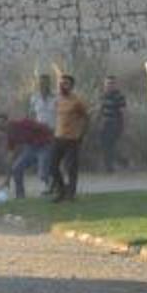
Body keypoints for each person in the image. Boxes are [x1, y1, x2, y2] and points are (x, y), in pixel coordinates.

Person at [0, 114, 53, 199]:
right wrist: (7, 180)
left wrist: (49, 140)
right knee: (16, 168)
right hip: (30, 148)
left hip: (44, 146)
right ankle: (20, 195)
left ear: (7, 122)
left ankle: (52, 190)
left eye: (2, 124)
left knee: (42, 173)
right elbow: (11, 157)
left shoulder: (23, 123)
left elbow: (45, 128)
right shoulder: (9, 136)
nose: (1, 128)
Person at [51, 74, 89, 202]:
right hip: (58, 137)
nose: (62, 86)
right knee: (52, 166)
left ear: (72, 86)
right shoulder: (58, 100)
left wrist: (81, 134)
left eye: (65, 83)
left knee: (71, 167)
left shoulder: (77, 101)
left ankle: (71, 194)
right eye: (60, 83)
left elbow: (85, 117)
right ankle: (61, 191)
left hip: (72, 139)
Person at [28, 74, 58, 194]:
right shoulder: (34, 98)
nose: (43, 85)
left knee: (50, 160)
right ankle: (49, 183)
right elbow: (31, 115)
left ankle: (51, 185)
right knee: (43, 161)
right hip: (39, 134)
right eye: (40, 83)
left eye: (45, 83)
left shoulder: (55, 98)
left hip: (52, 132)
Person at [97, 75, 126, 172]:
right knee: (105, 145)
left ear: (116, 85)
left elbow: (123, 111)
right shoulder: (103, 95)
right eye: (108, 83)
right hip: (104, 123)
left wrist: (122, 125)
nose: (110, 86)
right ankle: (121, 161)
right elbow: (101, 109)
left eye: (112, 83)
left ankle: (109, 167)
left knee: (109, 145)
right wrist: (98, 120)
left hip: (114, 123)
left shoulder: (119, 96)